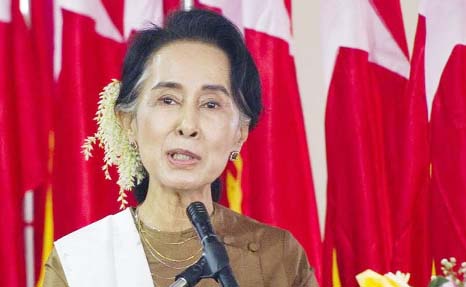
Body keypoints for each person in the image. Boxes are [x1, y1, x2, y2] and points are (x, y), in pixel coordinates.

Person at [43, 9, 318, 287]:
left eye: (211, 104)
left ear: (239, 134)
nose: (188, 125)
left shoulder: (278, 257)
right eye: (168, 100)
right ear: (129, 123)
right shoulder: (79, 262)